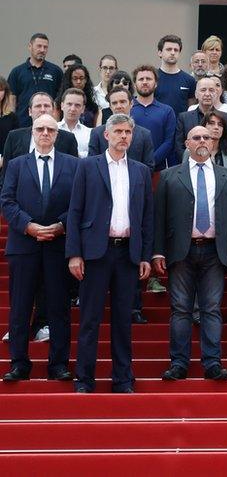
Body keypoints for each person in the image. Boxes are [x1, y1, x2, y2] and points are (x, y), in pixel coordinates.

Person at [66, 114, 154, 393]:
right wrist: (74, 254)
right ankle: (84, 379)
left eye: (128, 132)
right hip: (95, 253)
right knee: (90, 319)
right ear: (106, 135)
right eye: (118, 131)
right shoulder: (88, 167)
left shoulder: (140, 171)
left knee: (123, 321)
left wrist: (145, 255)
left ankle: (123, 379)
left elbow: (147, 217)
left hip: (127, 253)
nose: (123, 137)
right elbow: (75, 212)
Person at [154, 126, 227, 382]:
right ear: (187, 143)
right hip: (180, 251)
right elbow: (159, 217)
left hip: (215, 252)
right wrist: (157, 252)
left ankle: (212, 363)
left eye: (207, 137)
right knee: (181, 309)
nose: (203, 141)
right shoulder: (169, 176)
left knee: (212, 308)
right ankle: (179, 363)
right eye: (197, 137)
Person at [0, 114, 78, 382]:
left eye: (50, 129)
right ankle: (19, 363)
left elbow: (79, 204)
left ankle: (58, 364)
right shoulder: (17, 165)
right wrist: (29, 226)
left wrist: (60, 226)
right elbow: (7, 201)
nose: (45, 133)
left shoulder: (73, 165)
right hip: (24, 245)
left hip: (58, 246)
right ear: (32, 132)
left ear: (57, 134)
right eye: (40, 128)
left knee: (59, 308)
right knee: (20, 308)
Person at [1, 93, 80, 176]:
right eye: (38, 106)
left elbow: (74, 174)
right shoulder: (14, 137)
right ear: (30, 111)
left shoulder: (68, 139)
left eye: (46, 106)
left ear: (53, 111)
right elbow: (5, 174)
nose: (42, 110)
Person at [7, 33, 63, 128]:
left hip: (49, 124)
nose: (42, 50)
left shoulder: (56, 71)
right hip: (22, 124)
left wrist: (56, 122)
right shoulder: (17, 71)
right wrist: (12, 123)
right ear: (30, 46)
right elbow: (11, 100)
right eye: (39, 46)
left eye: (45, 47)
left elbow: (59, 99)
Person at [130, 65, 177, 172]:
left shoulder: (167, 111)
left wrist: (151, 161)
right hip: (130, 169)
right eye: (141, 79)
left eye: (149, 79)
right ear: (135, 84)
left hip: (158, 170)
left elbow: (169, 142)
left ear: (155, 84)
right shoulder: (127, 109)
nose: (145, 82)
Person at [154, 36, 196, 152]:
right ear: (160, 53)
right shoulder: (152, 78)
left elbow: (191, 108)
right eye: (168, 49)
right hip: (158, 129)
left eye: (176, 50)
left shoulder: (189, 80)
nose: (172, 53)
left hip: (180, 133)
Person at [175, 77, 227, 157]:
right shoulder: (184, 118)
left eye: (211, 90)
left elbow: (226, 145)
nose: (207, 94)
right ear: (196, 94)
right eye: (203, 90)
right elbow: (179, 146)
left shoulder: (226, 118)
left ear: (216, 94)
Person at [56, 88, 92, 158]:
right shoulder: (52, 129)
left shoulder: (90, 133)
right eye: (69, 104)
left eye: (77, 105)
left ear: (83, 109)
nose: (72, 109)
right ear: (62, 106)